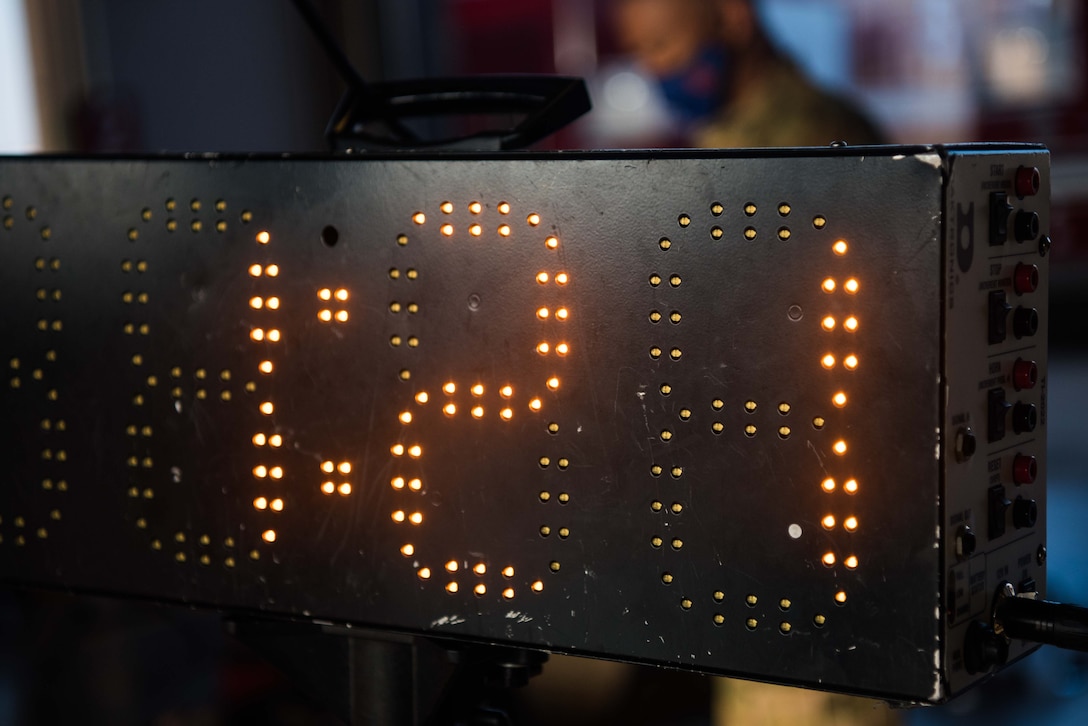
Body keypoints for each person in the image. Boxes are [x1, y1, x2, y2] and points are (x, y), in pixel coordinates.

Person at [612, 0, 885, 147]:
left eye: (661, 44)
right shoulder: (722, 125)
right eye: (639, 50)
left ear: (734, 18)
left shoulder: (817, 136)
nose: (649, 67)